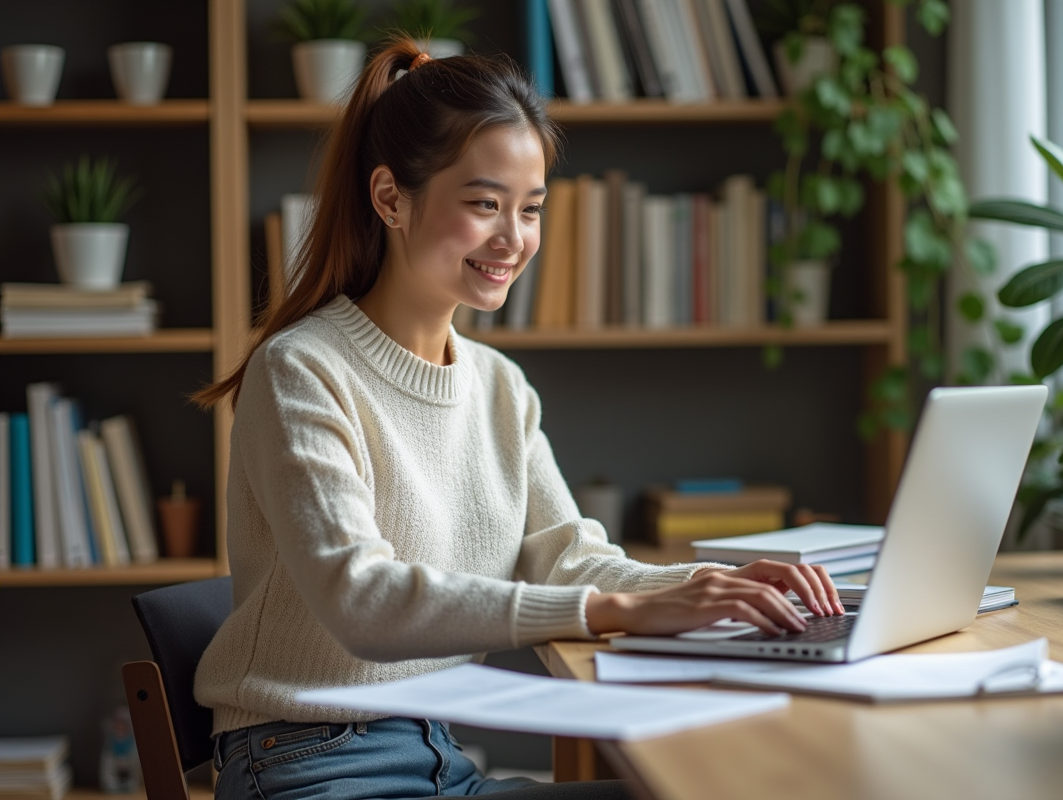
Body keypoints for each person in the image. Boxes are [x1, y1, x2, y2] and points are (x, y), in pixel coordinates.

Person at [191, 35, 842, 800]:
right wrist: (616, 610)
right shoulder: (302, 370)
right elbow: (359, 600)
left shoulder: (500, 387)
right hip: (308, 761)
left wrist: (706, 586)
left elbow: (566, 557)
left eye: (530, 209)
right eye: (483, 204)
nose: (513, 239)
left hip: (437, 752)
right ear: (390, 197)